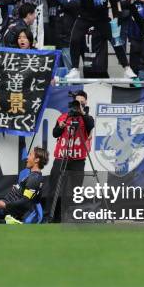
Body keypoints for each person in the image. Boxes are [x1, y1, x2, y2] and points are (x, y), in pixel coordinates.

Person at [44, 89, 94, 222]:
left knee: (74, 191)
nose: (78, 105)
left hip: (78, 160)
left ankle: (68, 217)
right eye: (76, 102)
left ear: (85, 102)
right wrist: (60, 126)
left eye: (81, 102)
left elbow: (91, 125)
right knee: (54, 189)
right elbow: (55, 133)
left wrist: (82, 112)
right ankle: (49, 217)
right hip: (61, 158)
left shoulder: (87, 118)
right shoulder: (63, 116)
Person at [0, 146, 48, 224]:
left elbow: (26, 202)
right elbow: (35, 198)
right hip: (6, 204)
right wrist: (18, 188)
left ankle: (9, 223)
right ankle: (7, 223)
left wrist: (5, 205)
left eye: (30, 155)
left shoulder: (35, 178)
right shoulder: (33, 176)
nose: (27, 157)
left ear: (37, 159)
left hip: (8, 208)